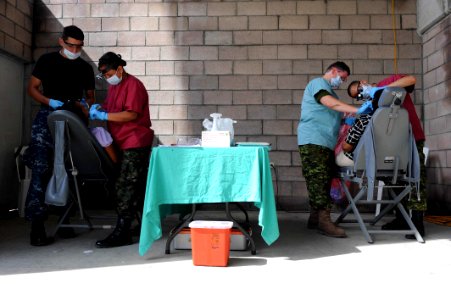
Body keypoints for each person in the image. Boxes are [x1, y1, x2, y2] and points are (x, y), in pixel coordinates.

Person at [25, 25, 95, 246]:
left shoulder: (84, 67)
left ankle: (64, 220)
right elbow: (33, 88)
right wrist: (48, 101)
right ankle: (37, 226)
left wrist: (87, 105)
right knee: (41, 167)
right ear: (61, 42)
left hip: (73, 119)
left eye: (79, 46)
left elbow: (91, 96)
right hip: (48, 116)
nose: (75, 49)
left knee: (70, 168)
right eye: (71, 45)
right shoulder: (47, 61)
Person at [346, 75, 427, 239]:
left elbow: (411, 80)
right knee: (393, 179)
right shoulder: (370, 105)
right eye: (358, 97)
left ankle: (418, 222)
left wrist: (383, 90)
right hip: (388, 145)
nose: (361, 95)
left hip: (410, 138)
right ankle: (402, 219)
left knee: (416, 177)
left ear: (363, 82)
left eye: (360, 91)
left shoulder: (387, 83)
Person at [297, 61, 369, 238]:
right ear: (335, 71)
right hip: (313, 139)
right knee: (319, 180)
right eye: (342, 78)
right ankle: (324, 221)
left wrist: (349, 120)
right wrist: (358, 109)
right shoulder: (318, 84)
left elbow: (334, 113)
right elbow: (330, 104)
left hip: (324, 142)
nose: (341, 82)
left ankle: (315, 218)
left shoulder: (332, 92)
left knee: (322, 180)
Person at [90, 52, 154, 248]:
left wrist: (105, 116)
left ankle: (123, 231)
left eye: (109, 74)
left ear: (119, 68)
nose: (108, 79)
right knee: (135, 186)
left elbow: (130, 115)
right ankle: (141, 225)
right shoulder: (115, 87)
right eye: (104, 76)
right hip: (121, 142)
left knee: (125, 187)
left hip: (135, 141)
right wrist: (97, 109)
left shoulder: (133, 85)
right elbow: (110, 107)